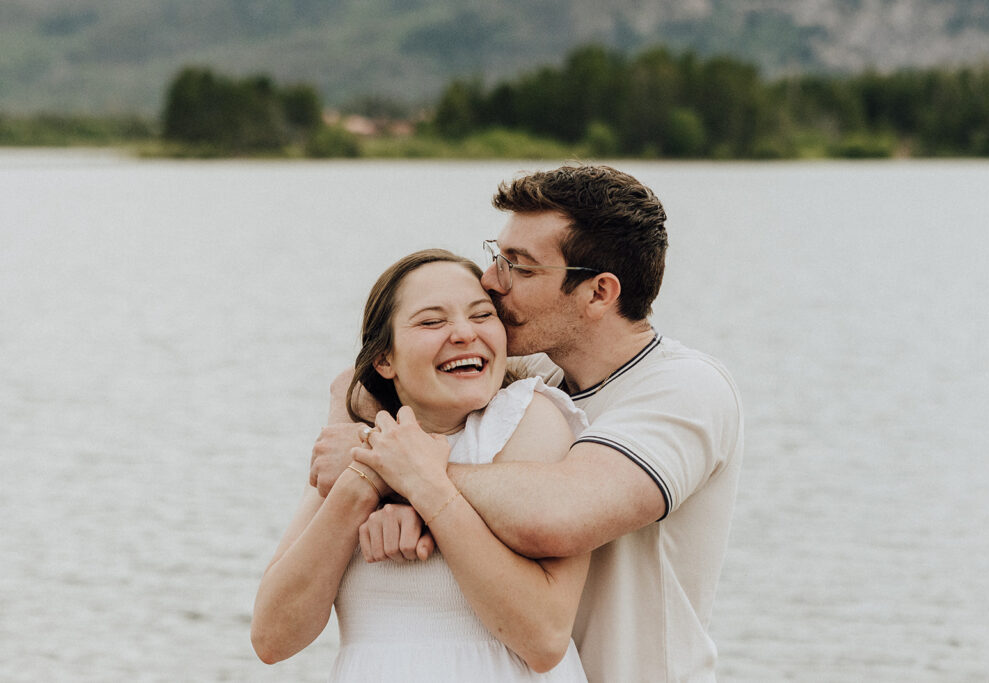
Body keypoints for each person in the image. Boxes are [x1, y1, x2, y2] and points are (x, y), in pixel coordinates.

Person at [315, 165, 744, 682]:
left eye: (520, 267)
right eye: (498, 256)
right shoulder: (534, 373)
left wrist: (396, 473)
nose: (491, 282)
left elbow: (558, 515)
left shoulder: (683, 390)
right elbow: (362, 380)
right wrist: (374, 457)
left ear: (599, 293)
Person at [252, 249, 591, 681]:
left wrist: (419, 490)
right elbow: (273, 639)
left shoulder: (525, 417)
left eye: (483, 315)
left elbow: (543, 640)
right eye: (432, 322)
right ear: (384, 359)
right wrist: (365, 479)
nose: (464, 333)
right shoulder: (353, 445)